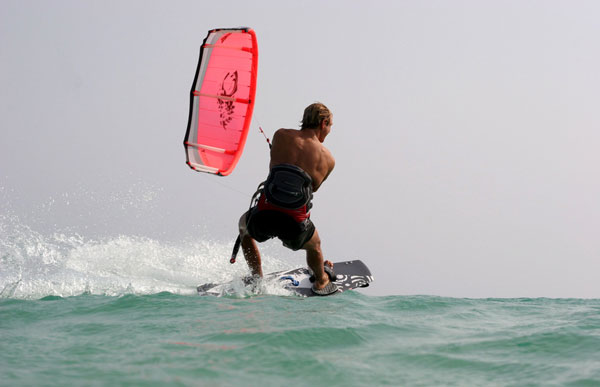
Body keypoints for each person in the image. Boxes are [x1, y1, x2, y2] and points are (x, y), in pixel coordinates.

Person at [237, 102, 337, 295]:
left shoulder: (281, 135)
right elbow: (312, 189)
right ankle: (321, 281)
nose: (329, 132)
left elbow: (273, 166)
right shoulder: (328, 159)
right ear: (323, 122)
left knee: (243, 227)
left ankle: (257, 279)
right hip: (294, 225)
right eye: (330, 126)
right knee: (315, 245)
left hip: (265, 215)